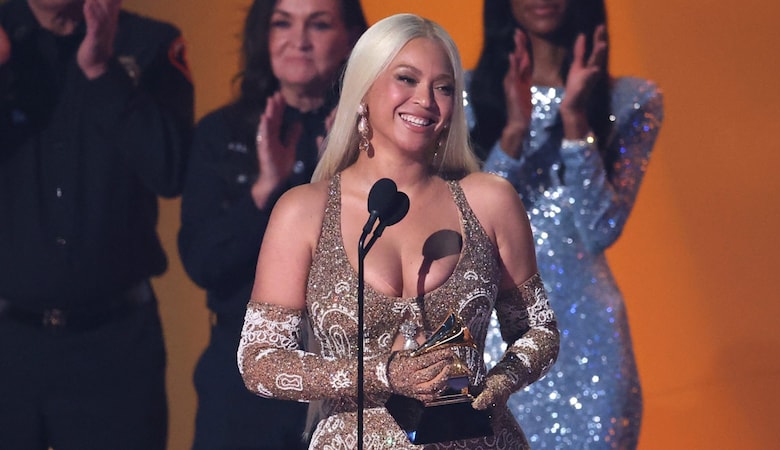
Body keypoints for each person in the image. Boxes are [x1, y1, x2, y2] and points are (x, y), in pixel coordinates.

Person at [236, 13, 560, 449]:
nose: (425, 99)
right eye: (406, 79)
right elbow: (258, 361)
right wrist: (382, 373)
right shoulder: (304, 211)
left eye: (443, 87)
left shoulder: (489, 200)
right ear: (363, 90)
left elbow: (539, 330)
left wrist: (497, 385)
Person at [466, 0, 664, 447]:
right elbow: (472, 227)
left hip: (590, 346)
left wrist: (575, 123)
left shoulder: (631, 100)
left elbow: (600, 229)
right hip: (496, 340)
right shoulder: (463, 94)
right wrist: (517, 131)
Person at [0, 0, 193, 449]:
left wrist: (103, 72)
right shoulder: (6, 37)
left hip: (115, 346)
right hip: (8, 344)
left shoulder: (149, 43)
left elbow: (170, 171)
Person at [177, 0, 367, 448]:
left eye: (318, 24)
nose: (299, 41)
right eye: (283, 23)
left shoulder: (374, 136)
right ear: (264, 36)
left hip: (346, 375)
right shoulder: (221, 133)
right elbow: (202, 263)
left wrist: (344, 167)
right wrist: (265, 189)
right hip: (244, 379)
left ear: (352, 40)